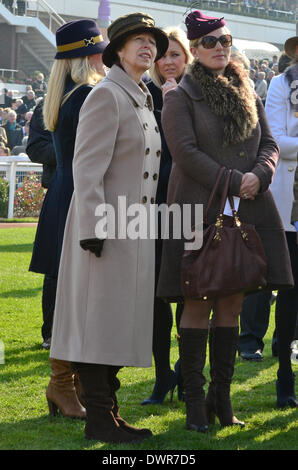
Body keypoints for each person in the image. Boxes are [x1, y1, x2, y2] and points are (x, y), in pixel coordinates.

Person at [156, 9, 293, 432]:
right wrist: (237, 180)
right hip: (199, 207)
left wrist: (261, 174)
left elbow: (269, 143)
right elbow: (184, 153)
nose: (220, 48)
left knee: (233, 300)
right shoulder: (180, 96)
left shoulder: (247, 88)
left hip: (250, 209)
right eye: (210, 42)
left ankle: (222, 398)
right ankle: (194, 402)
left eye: (225, 40)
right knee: (197, 301)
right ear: (194, 50)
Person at [50, 12, 168, 444]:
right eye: (137, 40)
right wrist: (94, 227)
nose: (147, 47)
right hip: (105, 229)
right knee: (101, 324)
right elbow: (87, 169)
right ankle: (99, 418)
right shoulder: (106, 96)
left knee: (119, 322)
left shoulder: (141, 95)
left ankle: (107, 414)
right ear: (116, 49)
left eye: (152, 41)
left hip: (133, 228)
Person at [29, 19, 107, 420]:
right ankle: (64, 383)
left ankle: (68, 383)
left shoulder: (66, 94)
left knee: (73, 298)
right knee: (79, 300)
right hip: (82, 199)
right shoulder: (90, 95)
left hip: (64, 197)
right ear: (91, 53)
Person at [141, 26, 192, 405]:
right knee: (157, 298)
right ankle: (162, 377)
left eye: (174, 53)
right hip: (153, 206)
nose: (167, 61)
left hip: (191, 204)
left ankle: (190, 375)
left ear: (186, 57)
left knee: (192, 295)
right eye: (162, 54)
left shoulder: (197, 96)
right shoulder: (142, 96)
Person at [266, 33, 298, 409]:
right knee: (290, 294)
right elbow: (275, 139)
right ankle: (283, 378)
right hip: (291, 206)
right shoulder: (280, 83)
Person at [26, 98, 57, 349]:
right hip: (61, 189)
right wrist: (71, 147)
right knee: (55, 267)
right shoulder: (48, 102)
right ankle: (51, 331)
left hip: (103, 192)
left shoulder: (102, 92)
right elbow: (36, 148)